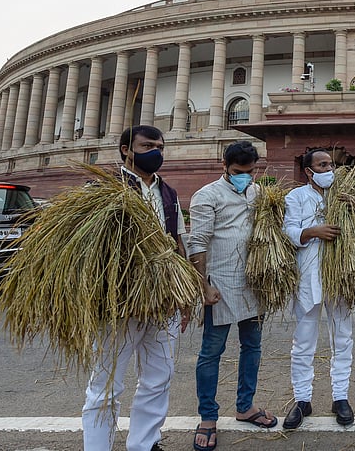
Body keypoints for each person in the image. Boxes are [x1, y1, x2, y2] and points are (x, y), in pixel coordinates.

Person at [82, 125, 189, 451]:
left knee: (159, 377)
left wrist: (184, 295)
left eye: (160, 146)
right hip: (119, 303)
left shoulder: (168, 193)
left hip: (164, 300)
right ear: (126, 149)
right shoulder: (102, 188)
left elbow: (178, 242)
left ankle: (144, 443)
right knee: (105, 384)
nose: (156, 151)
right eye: (147, 145)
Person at [188, 141, 277, 451]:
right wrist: (204, 286)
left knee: (252, 346)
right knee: (212, 351)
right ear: (223, 166)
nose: (246, 177)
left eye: (251, 172)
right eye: (239, 172)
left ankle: (245, 406)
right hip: (220, 284)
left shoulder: (257, 192)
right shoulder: (207, 196)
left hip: (253, 282)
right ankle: (208, 418)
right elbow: (197, 243)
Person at [281, 149, 355, 429]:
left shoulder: (343, 194)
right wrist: (313, 231)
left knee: (343, 337)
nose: (329, 169)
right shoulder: (296, 197)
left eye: (331, 165)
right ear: (309, 172)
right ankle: (302, 399)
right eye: (322, 165)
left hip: (340, 275)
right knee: (303, 340)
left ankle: (340, 397)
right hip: (309, 276)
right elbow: (288, 231)